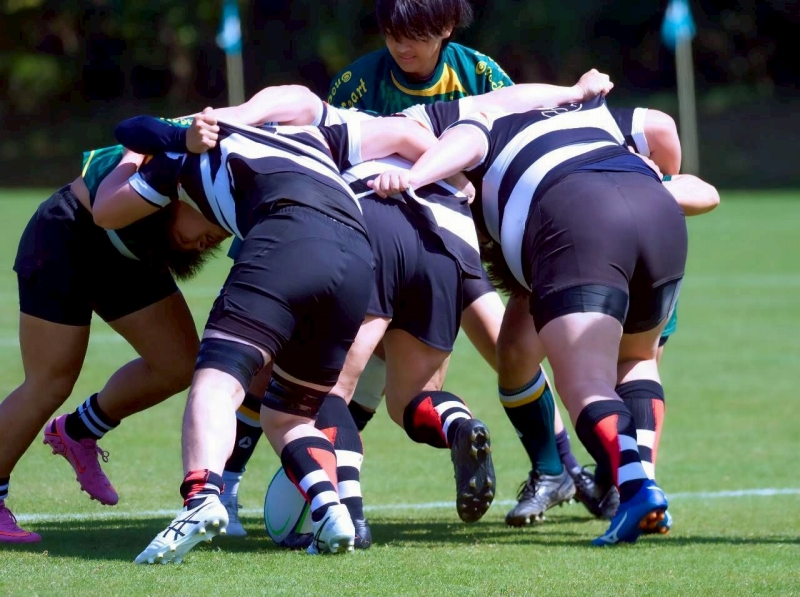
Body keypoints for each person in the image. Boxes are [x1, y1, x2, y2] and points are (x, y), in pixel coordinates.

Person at [369, 95, 692, 545]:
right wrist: (667, 175)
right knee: (636, 360)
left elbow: (468, 141)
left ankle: (638, 491)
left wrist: (415, 175)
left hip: (575, 217)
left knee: (586, 383)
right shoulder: (585, 112)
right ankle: (638, 484)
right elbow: (660, 126)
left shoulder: (478, 120)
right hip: (659, 210)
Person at [117, 111, 438, 562]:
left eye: (187, 242)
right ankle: (330, 510)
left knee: (216, 382)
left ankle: (201, 498)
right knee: (289, 417)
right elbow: (401, 133)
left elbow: (126, 138)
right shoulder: (315, 135)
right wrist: (457, 179)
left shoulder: (194, 151)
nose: (202, 244)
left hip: (285, 236)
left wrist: (177, 138)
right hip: (358, 258)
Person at [0, 123, 227, 544]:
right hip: (69, 236)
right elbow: (130, 133)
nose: (206, 245)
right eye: (210, 232)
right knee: (49, 382)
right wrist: (163, 144)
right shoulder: (189, 155)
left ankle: (78, 430)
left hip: (129, 255)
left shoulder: (235, 188)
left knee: (179, 364)